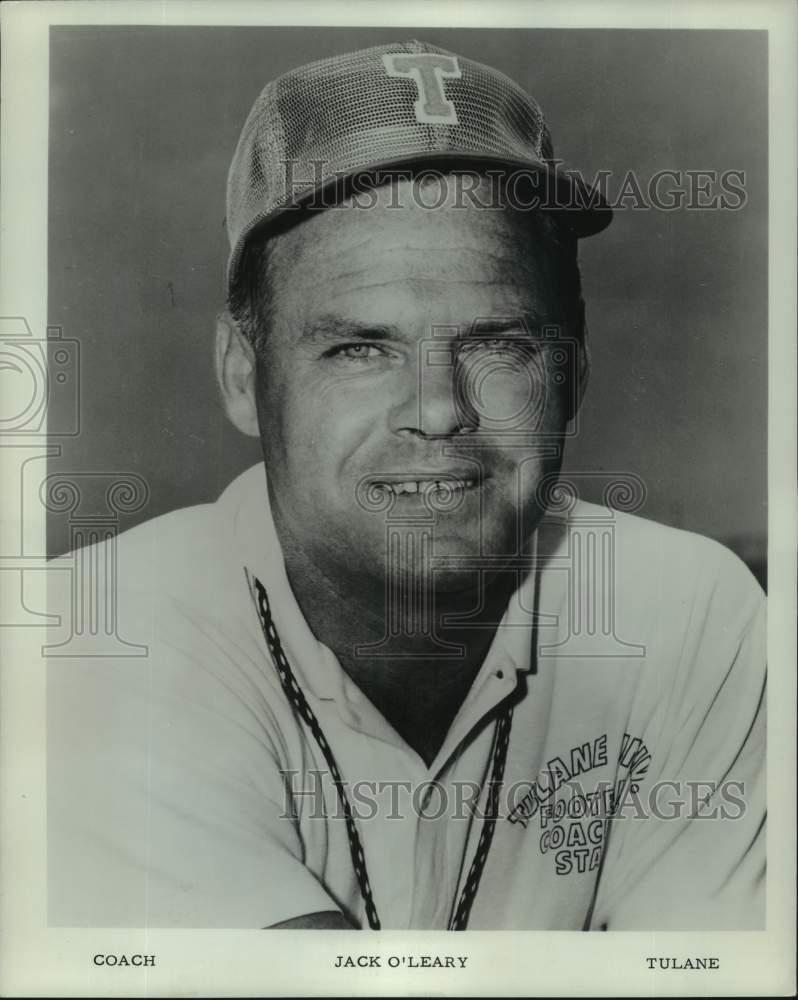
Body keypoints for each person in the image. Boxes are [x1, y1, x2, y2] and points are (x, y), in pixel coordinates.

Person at [48, 40, 765, 931]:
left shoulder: (690, 613)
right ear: (243, 375)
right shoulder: (94, 632)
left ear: (574, 374)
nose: (437, 409)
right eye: (360, 348)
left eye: (498, 344)